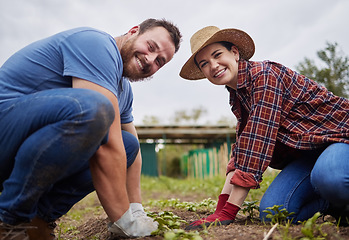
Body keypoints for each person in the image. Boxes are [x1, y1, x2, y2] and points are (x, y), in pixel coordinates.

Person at [0, 18, 182, 239]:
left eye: (159, 61)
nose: (150, 59)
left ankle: (39, 219)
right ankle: (9, 219)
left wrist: (136, 209)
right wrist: (124, 220)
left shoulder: (123, 90)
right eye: (151, 47)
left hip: (25, 148)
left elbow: (130, 152)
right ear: (133, 31)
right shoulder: (97, 44)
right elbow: (107, 143)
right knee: (93, 108)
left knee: (129, 145)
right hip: (6, 127)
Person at [179, 26, 349, 229]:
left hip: (339, 137)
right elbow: (242, 149)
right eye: (205, 64)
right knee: (273, 213)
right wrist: (220, 209)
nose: (213, 66)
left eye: (217, 55)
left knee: (332, 179)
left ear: (234, 52)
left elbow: (257, 145)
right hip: (310, 152)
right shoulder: (238, 95)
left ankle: (338, 191)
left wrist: (229, 212)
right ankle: (337, 206)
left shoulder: (264, 76)